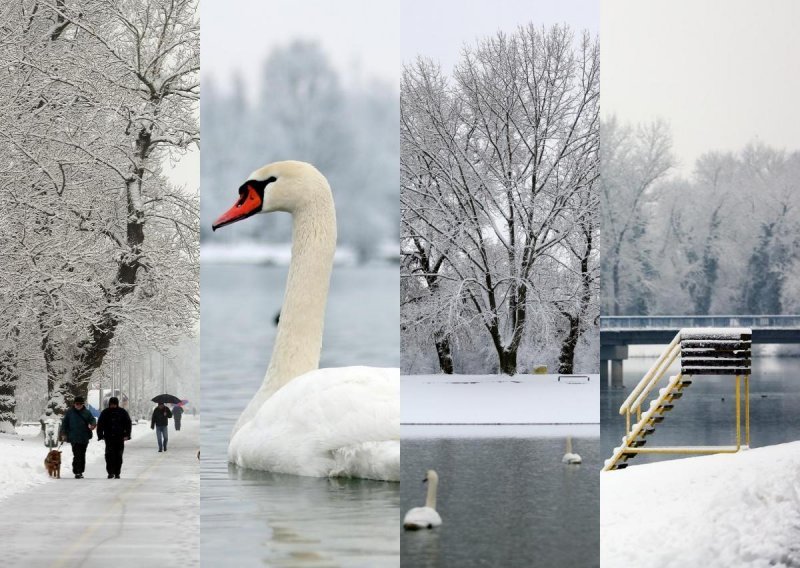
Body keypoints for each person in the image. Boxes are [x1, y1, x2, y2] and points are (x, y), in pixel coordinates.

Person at [59, 396, 97, 479]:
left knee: (82, 455)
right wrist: (63, 433)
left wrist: (93, 424)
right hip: (74, 437)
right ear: (74, 404)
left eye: (80, 404)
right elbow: (65, 423)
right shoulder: (70, 413)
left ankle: (81, 471)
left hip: (84, 437)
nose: (78, 405)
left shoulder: (87, 412)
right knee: (77, 455)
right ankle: (77, 471)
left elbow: (92, 419)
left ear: (83, 404)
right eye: (77, 404)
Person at [96, 397, 132, 479]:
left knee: (118, 455)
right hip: (108, 437)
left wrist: (127, 434)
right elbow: (100, 424)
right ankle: (110, 472)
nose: (113, 406)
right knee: (109, 455)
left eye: (114, 404)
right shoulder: (105, 413)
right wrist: (100, 435)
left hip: (119, 437)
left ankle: (117, 472)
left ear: (117, 404)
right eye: (111, 404)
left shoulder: (122, 412)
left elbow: (128, 423)